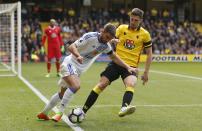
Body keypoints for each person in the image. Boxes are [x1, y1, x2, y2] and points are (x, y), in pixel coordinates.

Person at [37, 23, 138, 121]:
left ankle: (44, 113)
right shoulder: (90, 36)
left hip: (78, 69)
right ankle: (60, 112)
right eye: (107, 37)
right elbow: (71, 46)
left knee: (62, 94)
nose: (107, 40)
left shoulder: (106, 45)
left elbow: (114, 57)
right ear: (103, 31)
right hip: (70, 63)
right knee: (76, 86)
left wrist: (127, 67)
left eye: (110, 39)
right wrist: (78, 55)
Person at [82, 8, 152, 117]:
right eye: (132, 19)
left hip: (131, 66)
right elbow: (106, 39)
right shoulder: (121, 28)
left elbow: (149, 54)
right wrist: (112, 40)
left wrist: (146, 72)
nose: (133, 22)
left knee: (131, 83)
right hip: (116, 63)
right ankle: (83, 112)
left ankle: (124, 107)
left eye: (136, 20)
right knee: (102, 84)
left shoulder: (145, 34)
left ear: (141, 20)